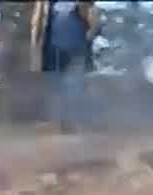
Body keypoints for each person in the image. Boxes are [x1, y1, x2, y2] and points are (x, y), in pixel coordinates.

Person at [29, 0, 101, 132]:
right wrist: (36, 44)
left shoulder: (84, 4)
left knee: (74, 85)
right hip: (52, 50)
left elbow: (94, 20)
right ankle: (60, 121)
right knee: (56, 86)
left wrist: (89, 37)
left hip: (76, 49)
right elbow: (37, 23)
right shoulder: (45, 3)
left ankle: (73, 121)